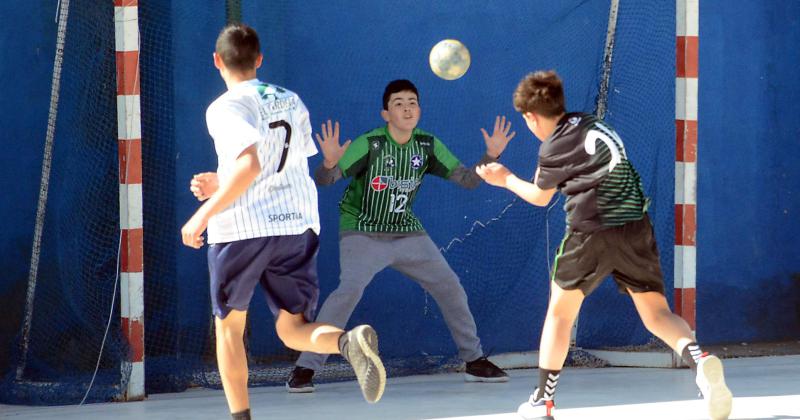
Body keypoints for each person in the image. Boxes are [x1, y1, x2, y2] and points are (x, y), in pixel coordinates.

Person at [475, 70, 733, 420]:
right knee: (656, 314)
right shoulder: (592, 123)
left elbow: (539, 195)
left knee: (560, 314)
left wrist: (504, 178)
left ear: (531, 117)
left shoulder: (553, 145)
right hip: (635, 228)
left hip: (589, 233)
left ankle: (543, 402)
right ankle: (700, 362)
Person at [181, 24, 386, 420]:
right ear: (259, 60)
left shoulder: (224, 107)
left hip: (241, 228)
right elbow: (278, 164)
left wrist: (202, 215)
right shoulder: (290, 99)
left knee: (229, 329)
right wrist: (223, 179)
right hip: (296, 223)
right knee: (292, 329)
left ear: (216, 61)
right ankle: (347, 342)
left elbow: (251, 164)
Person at [285, 79, 515, 392]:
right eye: (398, 103)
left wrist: (490, 157)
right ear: (385, 114)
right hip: (362, 231)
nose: (407, 108)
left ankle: (474, 361)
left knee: (450, 286)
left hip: (407, 232)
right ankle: (305, 368)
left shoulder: (427, 145)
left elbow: (468, 180)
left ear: (419, 110)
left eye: (412, 102)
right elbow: (326, 180)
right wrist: (328, 162)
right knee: (349, 290)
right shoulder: (371, 143)